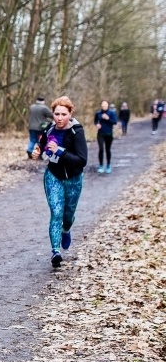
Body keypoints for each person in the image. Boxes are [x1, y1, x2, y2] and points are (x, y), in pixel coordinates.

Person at [31, 96, 87, 268]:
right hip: (53, 176)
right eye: (56, 114)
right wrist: (37, 152)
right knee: (56, 213)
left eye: (63, 114)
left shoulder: (77, 132)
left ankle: (66, 229)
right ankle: (56, 251)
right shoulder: (49, 129)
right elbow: (41, 146)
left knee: (67, 216)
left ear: (70, 114)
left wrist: (60, 151)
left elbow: (81, 160)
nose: (59, 118)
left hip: (73, 178)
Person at [93, 100, 117, 174]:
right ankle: (101, 165)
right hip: (100, 134)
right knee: (101, 149)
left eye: (105, 105)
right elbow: (95, 121)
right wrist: (97, 124)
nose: (104, 106)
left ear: (108, 106)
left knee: (107, 150)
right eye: (103, 105)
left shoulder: (111, 113)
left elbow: (115, 122)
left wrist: (108, 119)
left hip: (109, 134)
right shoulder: (98, 113)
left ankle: (108, 165)